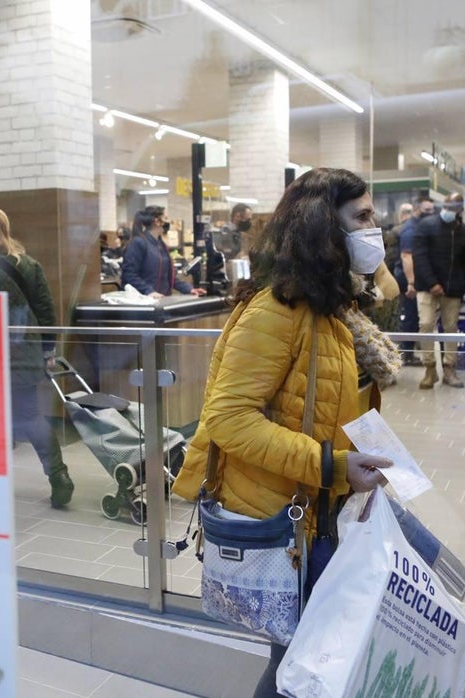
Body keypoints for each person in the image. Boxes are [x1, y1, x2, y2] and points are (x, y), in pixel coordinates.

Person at [170, 169, 394, 697]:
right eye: (361, 218)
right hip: (290, 514)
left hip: (325, 506)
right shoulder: (278, 309)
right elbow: (229, 417)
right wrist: (332, 465)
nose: (374, 230)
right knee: (300, 660)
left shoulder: (333, 309)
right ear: (324, 227)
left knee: (303, 654)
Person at [0, 206, 74, 508]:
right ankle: (58, 475)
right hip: (24, 353)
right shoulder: (28, 263)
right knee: (30, 416)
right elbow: (46, 312)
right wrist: (47, 351)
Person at [412, 193, 465, 389]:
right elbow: (419, 257)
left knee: (451, 328)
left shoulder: (464, 231)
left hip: (453, 290)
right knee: (426, 325)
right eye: (448, 205)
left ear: (461, 209)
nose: (450, 209)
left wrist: (461, 289)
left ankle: (449, 369)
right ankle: (430, 369)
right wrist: (432, 283)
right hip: (427, 287)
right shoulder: (426, 226)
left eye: (455, 206)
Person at [120, 206, 204, 298]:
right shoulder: (138, 243)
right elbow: (129, 275)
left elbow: (169, 277)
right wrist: (149, 291)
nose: (168, 222)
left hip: (161, 301)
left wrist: (188, 289)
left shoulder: (161, 245)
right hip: (143, 302)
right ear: (157, 221)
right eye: (165, 218)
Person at [396, 196, 435, 364]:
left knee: (414, 316)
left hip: (414, 278)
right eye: (427, 210)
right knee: (410, 316)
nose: (430, 213)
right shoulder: (410, 229)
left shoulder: (419, 226)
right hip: (407, 278)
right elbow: (406, 256)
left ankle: (409, 352)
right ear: (417, 209)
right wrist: (411, 282)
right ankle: (407, 354)